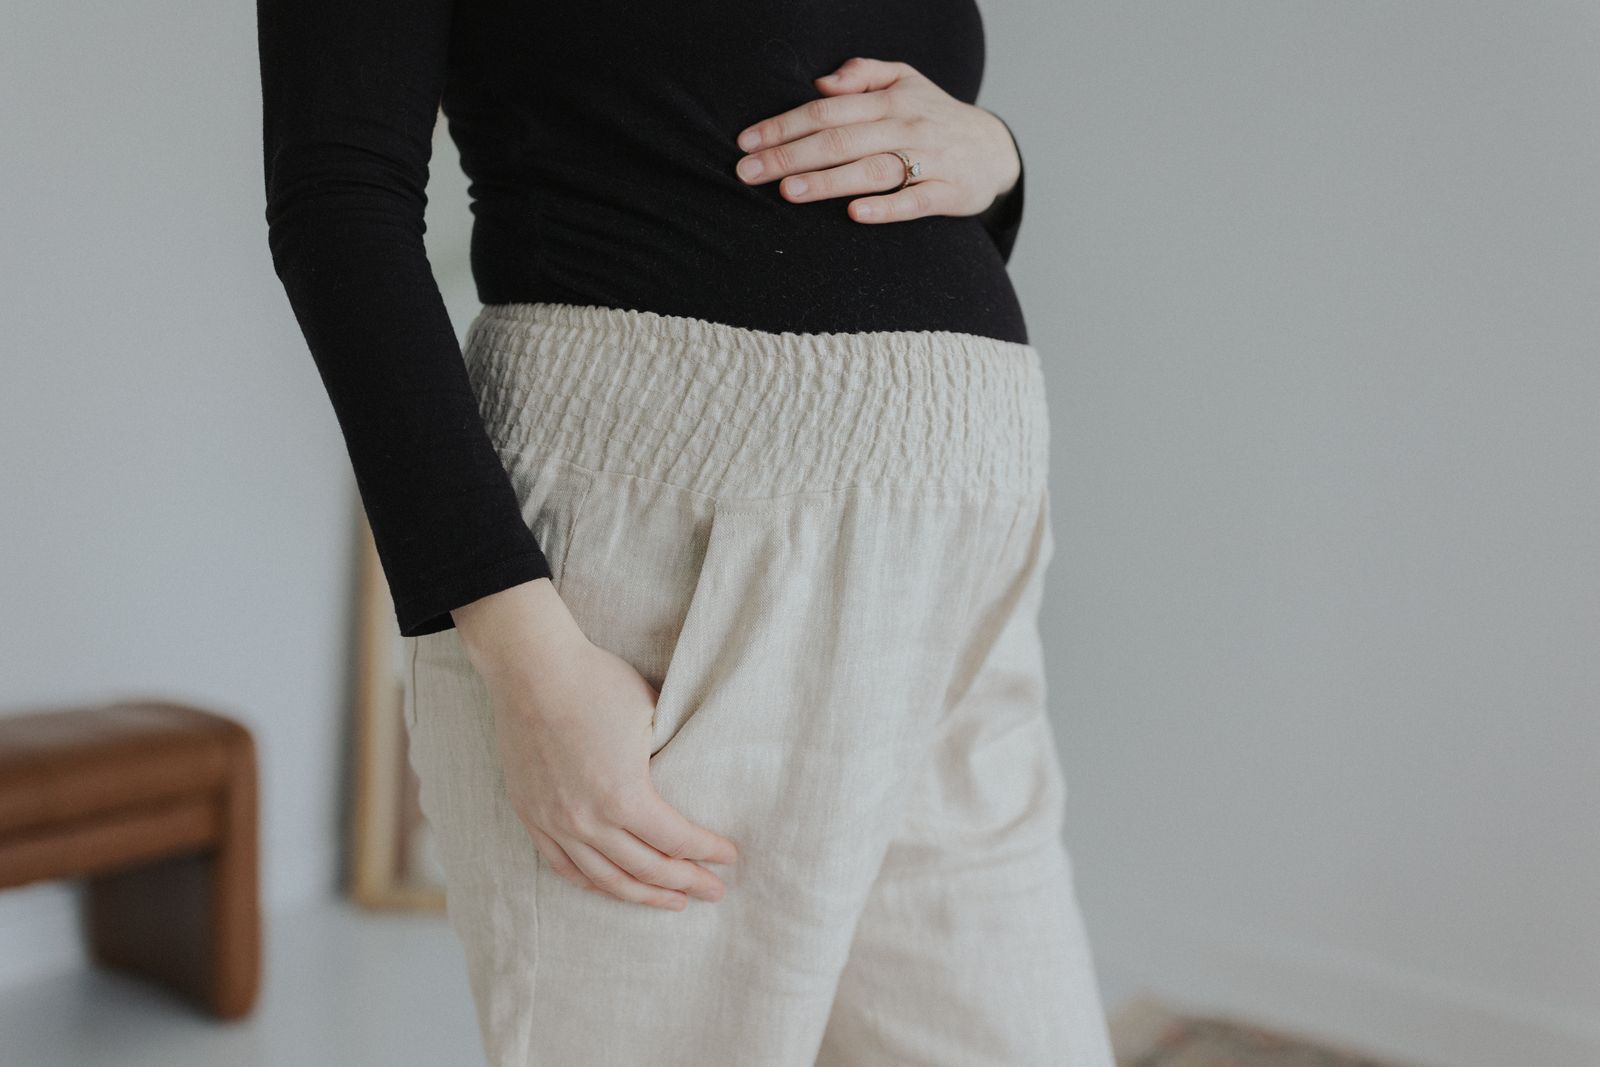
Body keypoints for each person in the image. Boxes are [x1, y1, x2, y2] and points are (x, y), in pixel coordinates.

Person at [256, 0, 1116, 1063]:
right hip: (667, 562)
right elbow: (336, 199)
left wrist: (996, 163)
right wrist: (523, 655)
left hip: (955, 576)